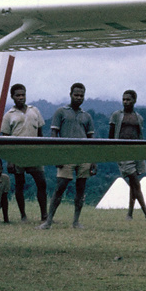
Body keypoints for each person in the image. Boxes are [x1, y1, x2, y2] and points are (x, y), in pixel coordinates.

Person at [40, 82, 97, 230]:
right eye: (76, 95)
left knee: (81, 189)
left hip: (84, 156)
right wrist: (56, 156)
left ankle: (76, 222)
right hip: (66, 155)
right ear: (70, 94)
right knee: (60, 188)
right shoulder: (61, 112)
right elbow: (54, 135)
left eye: (81, 95)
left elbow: (91, 140)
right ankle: (48, 221)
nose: (79, 98)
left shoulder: (87, 116)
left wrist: (93, 160)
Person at [108, 89, 146, 222]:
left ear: (134, 101)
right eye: (124, 99)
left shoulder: (138, 117)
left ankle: (129, 214)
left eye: (128, 99)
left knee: (133, 184)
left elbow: (139, 134)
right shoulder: (116, 115)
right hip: (122, 151)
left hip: (136, 151)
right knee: (136, 183)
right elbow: (111, 135)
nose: (125, 102)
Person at [0, 83, 47, 223]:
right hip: (17, 155)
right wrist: (9, 160)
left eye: (23, 95)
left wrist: (42, 152)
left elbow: (40, 134)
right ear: (12, 97)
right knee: (20, 184)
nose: (21, 97)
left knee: (41, 183)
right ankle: (23, 216)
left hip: (34, 154)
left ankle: (44, 216)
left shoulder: (35, 111)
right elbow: (5, 139)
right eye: (18, 95)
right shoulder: (9, 115)